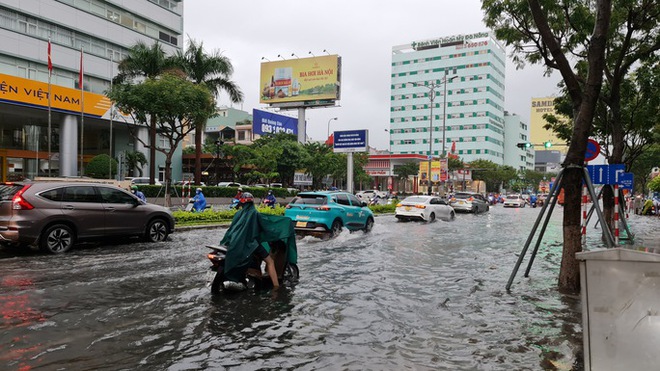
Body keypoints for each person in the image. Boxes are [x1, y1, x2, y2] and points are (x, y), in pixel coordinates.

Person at [221, 192, 282, 290]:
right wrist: (276, 235)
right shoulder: (255, 213)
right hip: (251, 244)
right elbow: (266, 227)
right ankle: (276, 287)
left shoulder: (238, 214)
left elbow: (231, 230)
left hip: (233, 243)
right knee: (270, 261)